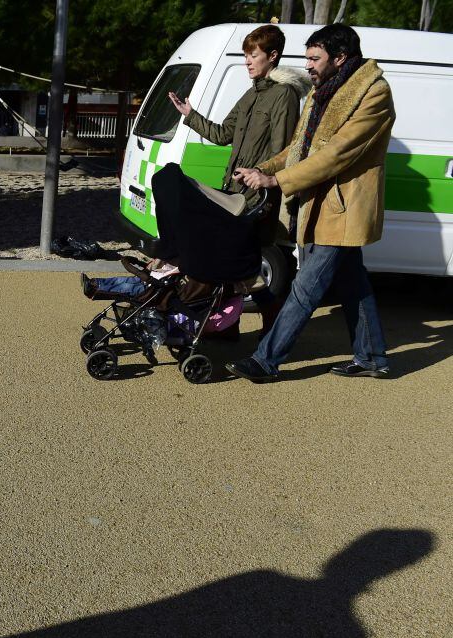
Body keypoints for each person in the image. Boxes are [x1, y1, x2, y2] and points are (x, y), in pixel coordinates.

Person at [227, 24, 394, 382]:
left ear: (340, 58)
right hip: (323, 205)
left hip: (344, 208)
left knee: (305, 289)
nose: (308, 66)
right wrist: (263, 168)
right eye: (307, 58)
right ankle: (372, 358)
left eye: (314, 59)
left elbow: (337, 154)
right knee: (354, 285)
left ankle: (265, 361)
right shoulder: (324, 91)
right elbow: (297, 148)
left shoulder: (374, 94)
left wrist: (278, 180)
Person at [167, 24, 311, 333]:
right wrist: (189, 114)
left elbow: (284, 151)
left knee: (236, 259)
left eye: (253, 55)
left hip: (256, 197)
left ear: (272, 56)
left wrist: (265, 183)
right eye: (246, 55)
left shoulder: (284, 95)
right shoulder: (250, 94)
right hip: (232, 192)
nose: (248, 61)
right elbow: (222, 135)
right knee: (229, 259)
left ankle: (271, 313)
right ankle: (229, 327)